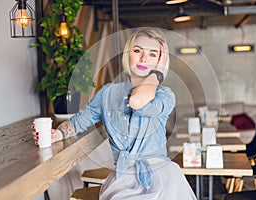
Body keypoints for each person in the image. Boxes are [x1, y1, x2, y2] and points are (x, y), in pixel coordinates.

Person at [32, 27, 197, 200]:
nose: (143, 58)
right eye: (138, 50)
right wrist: (57, 134)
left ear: (160, 61)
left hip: (160, 179)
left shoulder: (165, 95)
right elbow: (81, 120)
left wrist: (158, 72)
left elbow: (137, 101)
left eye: (153, 54)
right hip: (122, 178)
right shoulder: (107, 93)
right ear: (128, 54)